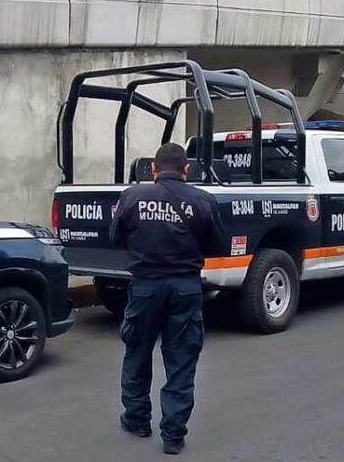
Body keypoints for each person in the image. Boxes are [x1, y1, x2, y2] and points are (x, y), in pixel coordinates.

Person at [110, 142, 224, 455]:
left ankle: (137, 419)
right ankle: (173, 436)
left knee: (137, 351)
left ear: (153, 170)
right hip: (186, 288)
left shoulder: (132, 196)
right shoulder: (204, 200)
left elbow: (115, 236)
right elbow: (216, 245)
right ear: (186, 170)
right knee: (181, 360)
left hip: (145, 286)